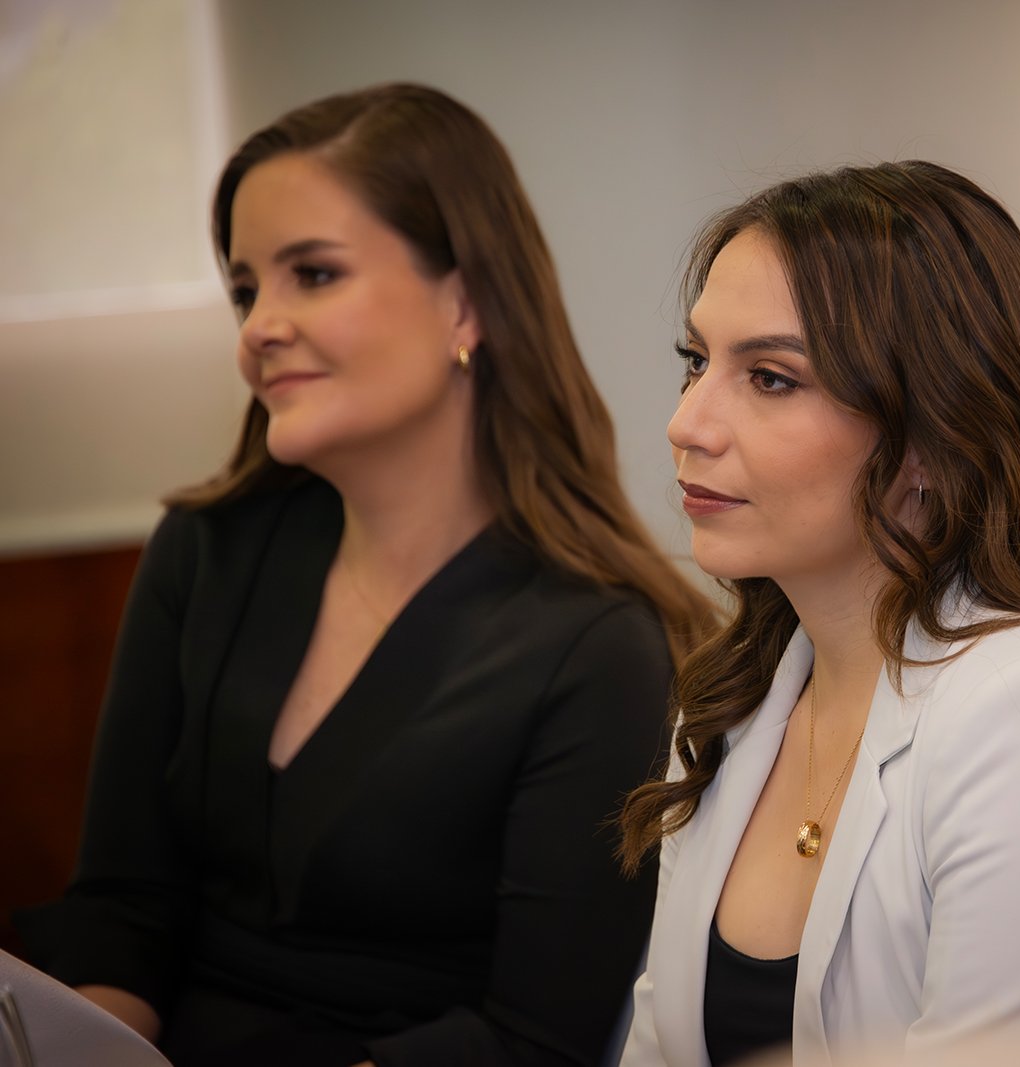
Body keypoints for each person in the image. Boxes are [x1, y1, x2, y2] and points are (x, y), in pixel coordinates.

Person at [17, 83, 716, 1067]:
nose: (259, 326)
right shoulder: (204, 550)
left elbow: (532, 1038)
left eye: (313, 274)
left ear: (466, 302)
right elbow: (123, 908)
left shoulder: (598, 646)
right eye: (246, 290)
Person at [616, 161, 1020, 1067]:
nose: (687, 422)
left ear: (930, 436)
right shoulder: (736, 697)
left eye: (769, 378)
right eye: (697, 362)